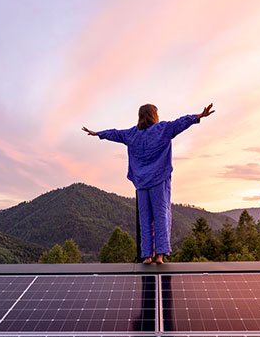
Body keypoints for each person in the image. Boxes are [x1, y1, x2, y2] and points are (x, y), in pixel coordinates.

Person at [83, 103, 215, 264]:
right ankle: (159, 255)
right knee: (161, 215)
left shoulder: (132, 134)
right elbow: (180, 122)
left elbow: (116, 134)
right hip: (159, 179)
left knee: (145, 219)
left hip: (141, 182)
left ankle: (147, 255)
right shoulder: (162, 129)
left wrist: (99, 133)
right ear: (154, 115)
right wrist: (198, 116)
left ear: (140, 116)